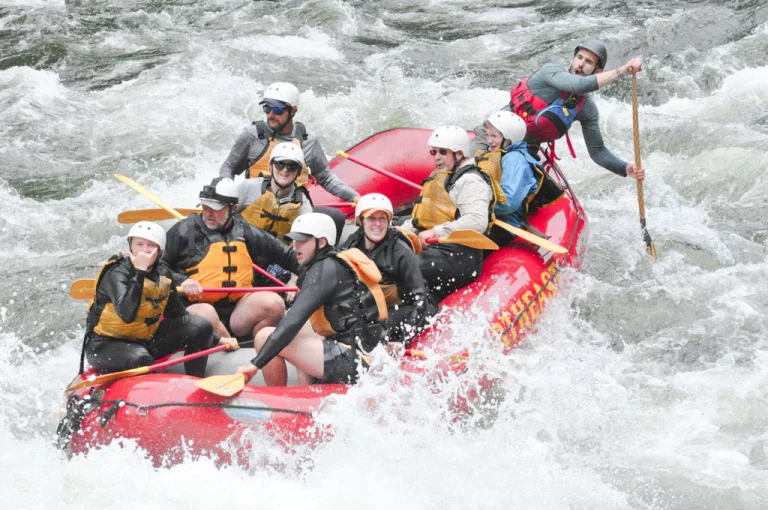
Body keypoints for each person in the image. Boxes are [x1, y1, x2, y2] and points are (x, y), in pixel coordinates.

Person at [236, 213, 389, 386]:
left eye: (302, 241)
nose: (295, 247)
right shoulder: (332, 263)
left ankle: (279, 399)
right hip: (366, 354)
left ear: (321, 242)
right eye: (294, 241)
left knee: (264, 336)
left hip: (358, 362)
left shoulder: (324, 270)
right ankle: (306, 389)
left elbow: (292, 322)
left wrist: (255, 364)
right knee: (304, 328)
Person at [470, 39, 645, 181]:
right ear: (573, 59)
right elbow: (578, 84)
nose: (581, 64)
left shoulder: (587, 109)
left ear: (597, 71)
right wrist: (623, 70)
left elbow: (597, 151)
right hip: (489, 140)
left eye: (588, 62)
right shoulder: (550, 73)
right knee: (473, 178)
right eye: (579, 58)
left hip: (522, 153)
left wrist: (625, 168)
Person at [84, 221, 238, 377]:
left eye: (151, 245)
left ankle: (194, 379)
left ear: (160, 251)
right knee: (140, 358)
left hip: (145, 340)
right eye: (139, 244)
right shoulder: (117, 273)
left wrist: (217, 339)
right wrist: (140, 271)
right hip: (105, 345)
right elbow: (127, 314)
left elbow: (177, 314)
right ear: (130, 247)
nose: (144, 250)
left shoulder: (163, 274)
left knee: (201, 325)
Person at [162, 178, 301, 341]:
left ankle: (259, 345)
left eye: (215, 208)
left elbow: (288, 256)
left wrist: (307, 276)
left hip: (237, 312)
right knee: (207, 313)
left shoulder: (245, 231)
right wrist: (181, 280)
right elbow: (158, 267)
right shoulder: (184, 231)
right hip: (196, 309)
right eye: (205, 207)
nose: (208, 213)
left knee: (274, 304)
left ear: (233, 208)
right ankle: (231, 350)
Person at [219, 81, 358, 241]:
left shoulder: (308, 140)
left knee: (336, 218)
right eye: (267, 108)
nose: (271, 115)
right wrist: (226, 192)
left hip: (293, 210)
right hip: (255, 210)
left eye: (277, 109)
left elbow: (325, 177)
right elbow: (228, 167)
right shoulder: (252, 136)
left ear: (293, 111)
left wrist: (355, 198)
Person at [401, 126, 495, 303]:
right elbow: (419, 217)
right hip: (435, 247)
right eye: (433, 152)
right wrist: (399, 232)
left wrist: (435, 232)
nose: (436, 157)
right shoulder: (440, 175)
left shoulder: (471, 181)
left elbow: (477, 221)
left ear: (459, 154)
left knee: (403, 266)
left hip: (459, 255)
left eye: (442, 152)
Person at [341, 193, 429, 345]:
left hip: (405, 308)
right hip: (374, 307)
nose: (378, 224)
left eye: (382, 218)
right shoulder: (353, 244)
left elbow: (420, 298)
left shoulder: (400, 250)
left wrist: (404, 340)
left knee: (369, 331)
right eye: (371, 218)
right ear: (361, 221)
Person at [480, 111, 564, 241]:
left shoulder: (515, 160)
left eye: (494, 136)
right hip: (487, 216)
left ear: (509, 138)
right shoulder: (498, 153)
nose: (489, 140)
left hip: (503, 225)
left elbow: (508, 203)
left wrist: (474, 204)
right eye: (487, 135)